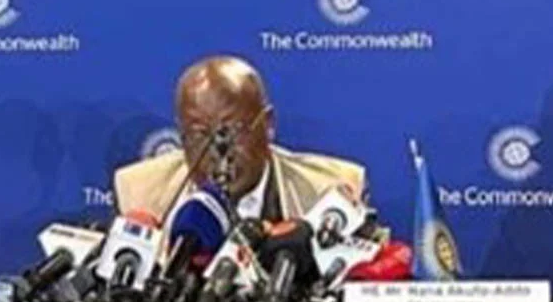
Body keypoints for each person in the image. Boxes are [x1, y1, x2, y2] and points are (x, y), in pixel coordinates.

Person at [114, 55, 367, 223]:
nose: (219, 150)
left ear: (268, 125)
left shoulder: (330, 188)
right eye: (200, 134)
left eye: (233, 129)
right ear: (182, 136)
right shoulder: (141, 191)